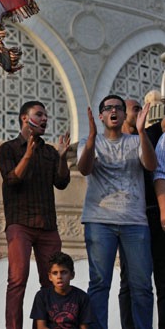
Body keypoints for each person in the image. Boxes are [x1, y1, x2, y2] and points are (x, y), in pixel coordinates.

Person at [77, 95, 156, 329]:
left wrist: (142, 133)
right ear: (101, 116)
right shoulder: (89, 140)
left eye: (118, 108)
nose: (113, 111)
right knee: (100, 283)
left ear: (123, 115)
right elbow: (84, 168)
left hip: (135, 222)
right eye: (108, 108)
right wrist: (91, 138)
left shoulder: (135, 141)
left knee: (141, 285)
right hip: (99, 221)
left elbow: (151, 165)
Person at [0, 100, 71, 329]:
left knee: (52, 283)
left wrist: (62, 158)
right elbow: (11, 179)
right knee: (17, 281)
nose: (44, 119)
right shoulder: (8, 149)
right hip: (20, 223)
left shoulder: (49, 151)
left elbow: (62, 182)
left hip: (47, 225)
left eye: (45, 116)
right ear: (24, 118)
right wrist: (27, 154)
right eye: (39, 115)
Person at [119, 98, 165, 329]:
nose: (140, 113)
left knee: (163, 278)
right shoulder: (115, 142)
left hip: (154, 216)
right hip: (129, 221)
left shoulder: (150, 136)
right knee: (130, 283)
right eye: (135, 109)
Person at [30, 251, 92, 329]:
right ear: (50, 277)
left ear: (72, 275)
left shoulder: (82, 297)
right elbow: (41, 326)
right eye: (55, 273)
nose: (59, 277)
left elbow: (84, 327)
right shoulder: (42, 296)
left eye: (64, 272)